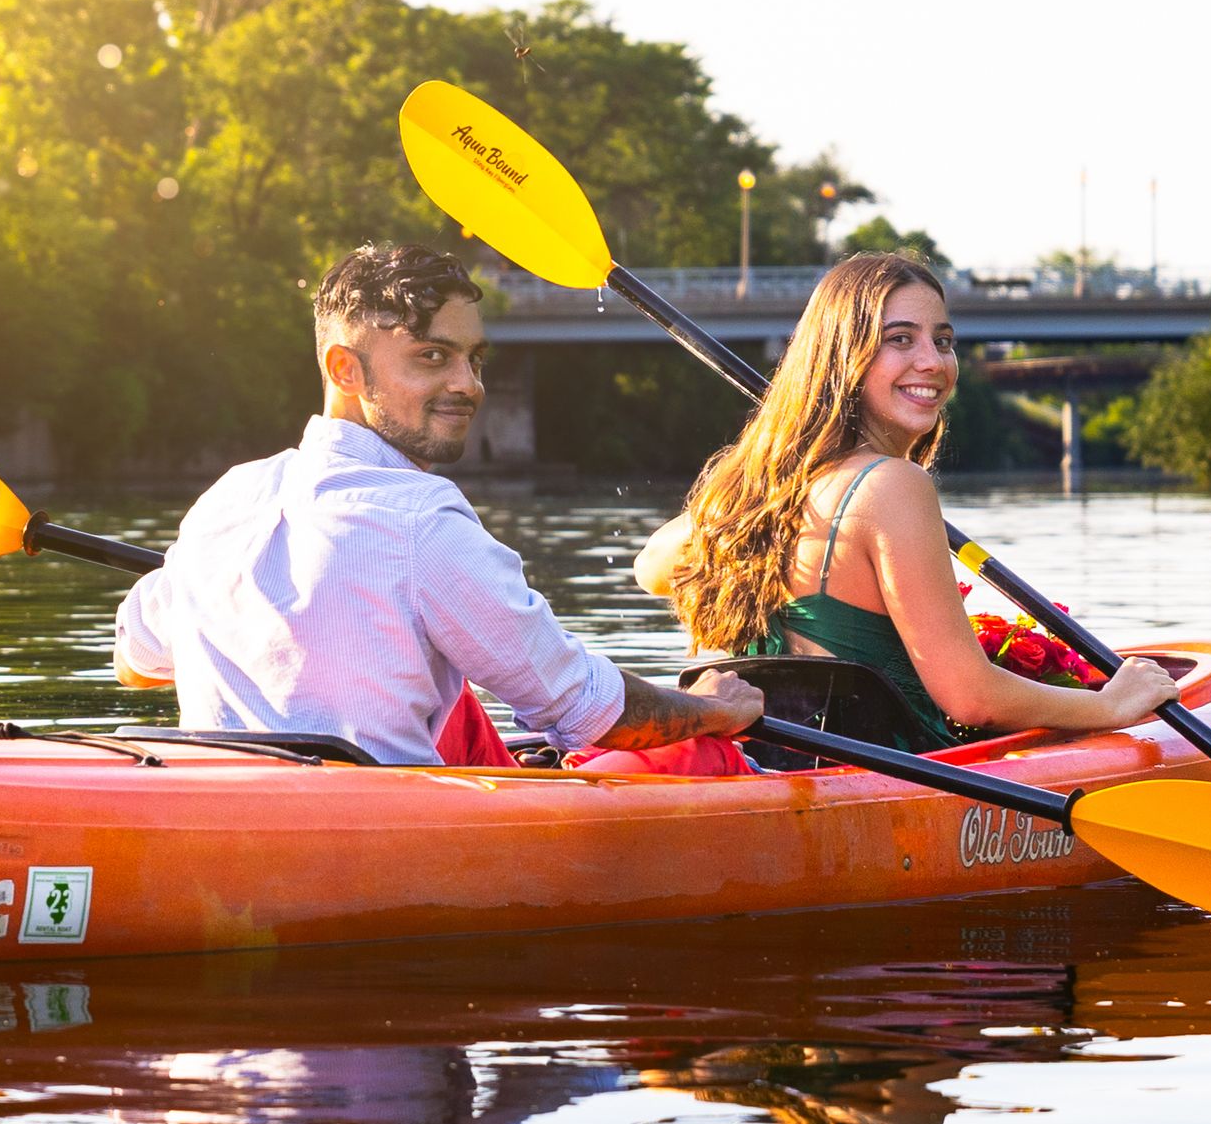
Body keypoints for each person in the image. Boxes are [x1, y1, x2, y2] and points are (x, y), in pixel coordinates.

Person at [118, 243, 762, 765]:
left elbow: (134, 659)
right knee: (700, 754)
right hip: (380, 836)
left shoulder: (228, 496)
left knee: (455, 701)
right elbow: (590, 712)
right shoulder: (421, 519)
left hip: (224, 812)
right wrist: (712, 707)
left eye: (473, 359)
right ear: (345, 370)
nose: (468, 385)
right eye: (432, 357)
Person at [635, 250, 1178, 752]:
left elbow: (650, 568)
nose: (933, 362)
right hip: (871, 783)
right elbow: (971, 699)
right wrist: (1109, 706)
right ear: (842, 357)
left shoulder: (766, 491)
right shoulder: (893, 484)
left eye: (943, 341)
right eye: (900, 339)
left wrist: (760, 472)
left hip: (774, 768)